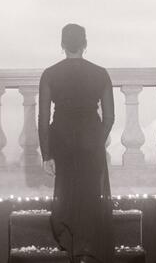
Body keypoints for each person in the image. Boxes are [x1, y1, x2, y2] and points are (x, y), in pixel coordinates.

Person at [38, 23, 115, 263]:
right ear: (85, 44)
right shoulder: (101, 73)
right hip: (90, 137)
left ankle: (69, 242)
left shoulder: (50, 74)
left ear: (62, 45)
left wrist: (47, 154)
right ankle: (88, 247)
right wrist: (96, 141)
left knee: (67, 189)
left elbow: (43, 118)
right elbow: (110, 117)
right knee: (90, 191)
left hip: (61, 137)